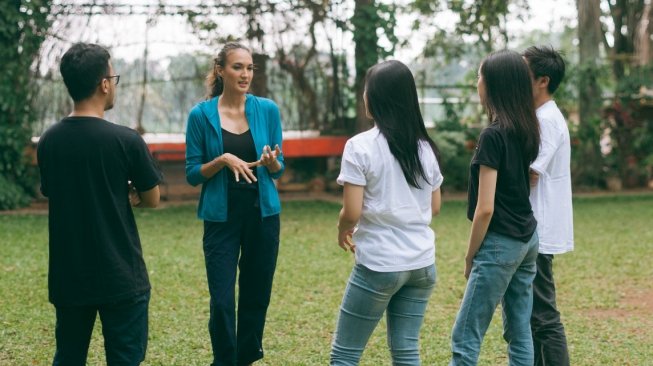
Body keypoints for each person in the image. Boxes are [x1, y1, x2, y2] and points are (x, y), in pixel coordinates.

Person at [37, 43, 161, 366]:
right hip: (121, 274)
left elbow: (53, 191)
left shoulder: (50, 140)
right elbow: (153, 198)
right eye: (114, 77)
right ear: (104, 84)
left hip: (69, 275)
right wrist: (130, 192)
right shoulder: (126, 140)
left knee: (68, 357)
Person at [331, 60, 443, 365]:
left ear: (375, 97)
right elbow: (434, 206)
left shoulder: (359, 146)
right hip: (421, 265)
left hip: (380, 264)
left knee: (345, 354)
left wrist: (343, 228)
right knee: (406, 352)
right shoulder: (425, 148)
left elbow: (352, 211)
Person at [185, 42, 284, 366]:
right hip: (221, 217)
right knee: (223, 299)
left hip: (262, 214)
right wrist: (223, 160)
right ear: (220, 70)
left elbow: (278, 169)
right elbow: (192, 174)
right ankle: (224, 360)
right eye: (237, 67)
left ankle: (246, 358)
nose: (245, 74)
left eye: (249, 68)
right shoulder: (201, 115)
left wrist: (270, 163)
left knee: (256, 295)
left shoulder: (267, 109)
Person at [449, 50, 540, 366]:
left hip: (500, 243)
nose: (477, 82)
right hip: (528, 237)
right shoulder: (526, 127)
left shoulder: (492, 135)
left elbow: (485, 208)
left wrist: (470, 255)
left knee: (465, 336)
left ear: (494, 84)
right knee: (519, 331)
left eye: (479, 75)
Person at [523, 45, 573, 366]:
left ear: (542, 80)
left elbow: (531, 174)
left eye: (523, 75)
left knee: (543, 316)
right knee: (531, 316)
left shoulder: (548, 120)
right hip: (534, 227)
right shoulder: (540, 117)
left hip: (537, 228)